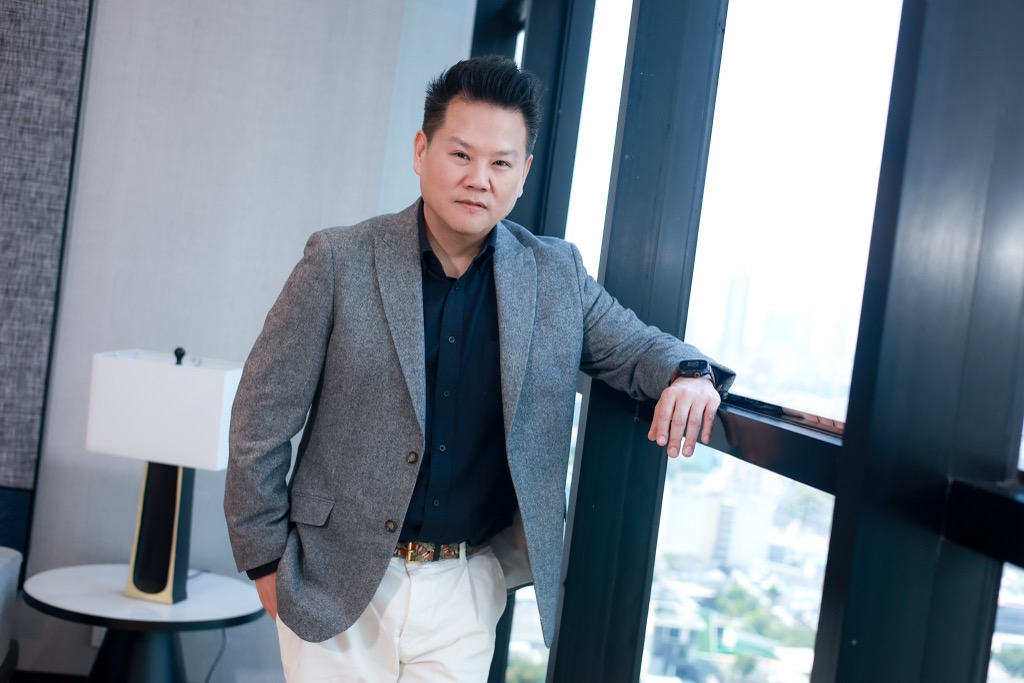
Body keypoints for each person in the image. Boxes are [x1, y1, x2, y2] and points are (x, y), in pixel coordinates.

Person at [224, 54, 734, 682]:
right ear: (422, 151)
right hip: (336, 574)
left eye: (500, 163)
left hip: (468, 585)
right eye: (461, 155)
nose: (479, 180)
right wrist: (265, 564)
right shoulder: (339, 260)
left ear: (524, 173)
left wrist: (692, 375)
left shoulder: (555, 276)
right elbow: (261, 418)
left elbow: (636, 348)